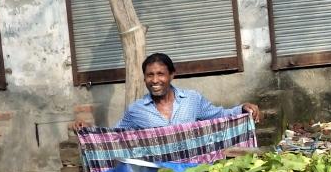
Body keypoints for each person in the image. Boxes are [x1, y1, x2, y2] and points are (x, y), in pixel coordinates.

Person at [109, 52, 260, 130]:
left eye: (160, 74)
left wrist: (242, 109)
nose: (155, 80)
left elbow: (219, 115)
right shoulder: (136, 110)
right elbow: (113, 136)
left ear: (171, 75)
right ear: (144, 78)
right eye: (150, 75)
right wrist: (92, 133)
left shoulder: (192, 99)